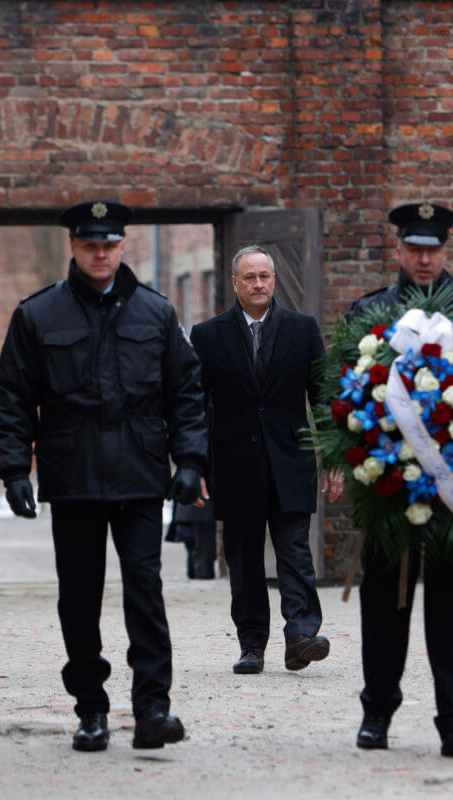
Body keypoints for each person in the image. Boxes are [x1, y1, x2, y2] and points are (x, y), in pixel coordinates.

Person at [0, 200, 208, 753]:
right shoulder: (38, 315)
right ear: (73, 245)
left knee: (146, 595)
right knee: (79, 599)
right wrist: (15, 469)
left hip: (138, 474)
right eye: (91, 244)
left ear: (123, 245)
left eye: (109, 244)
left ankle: (153, 710)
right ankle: (91, 709)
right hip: (75, 476)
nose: (101, 253)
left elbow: (185, 392)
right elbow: (14, 396)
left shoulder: (155, 314)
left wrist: (191, 461)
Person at [346, 202, 453, 759]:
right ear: (397, 250)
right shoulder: (370, 313)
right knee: (384, 608)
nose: (423, 258)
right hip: (391, 489)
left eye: (432, 249)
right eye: (413, 248)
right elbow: (343, 393)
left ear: (445, 251)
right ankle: (377, 714)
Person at [190, 245, 340, 675]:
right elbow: (195, 406)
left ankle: (301, 636)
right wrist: (194, 465)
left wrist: (332, 456)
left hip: (290, 460)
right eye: (250, 277)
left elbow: (324, 396)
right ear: (235, 283)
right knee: (244, 558)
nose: (259, 284)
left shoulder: (302, 329)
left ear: (273, 280)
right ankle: (252, 645)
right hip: (234, 464)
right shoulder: (208, 335)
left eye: (265, 277)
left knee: (295, 550)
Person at [166, 497, 217, 580]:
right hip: (202, 511)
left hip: (184, 510)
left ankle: (195, 574)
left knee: (194, 547)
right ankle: (201, 575)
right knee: (203, 548)